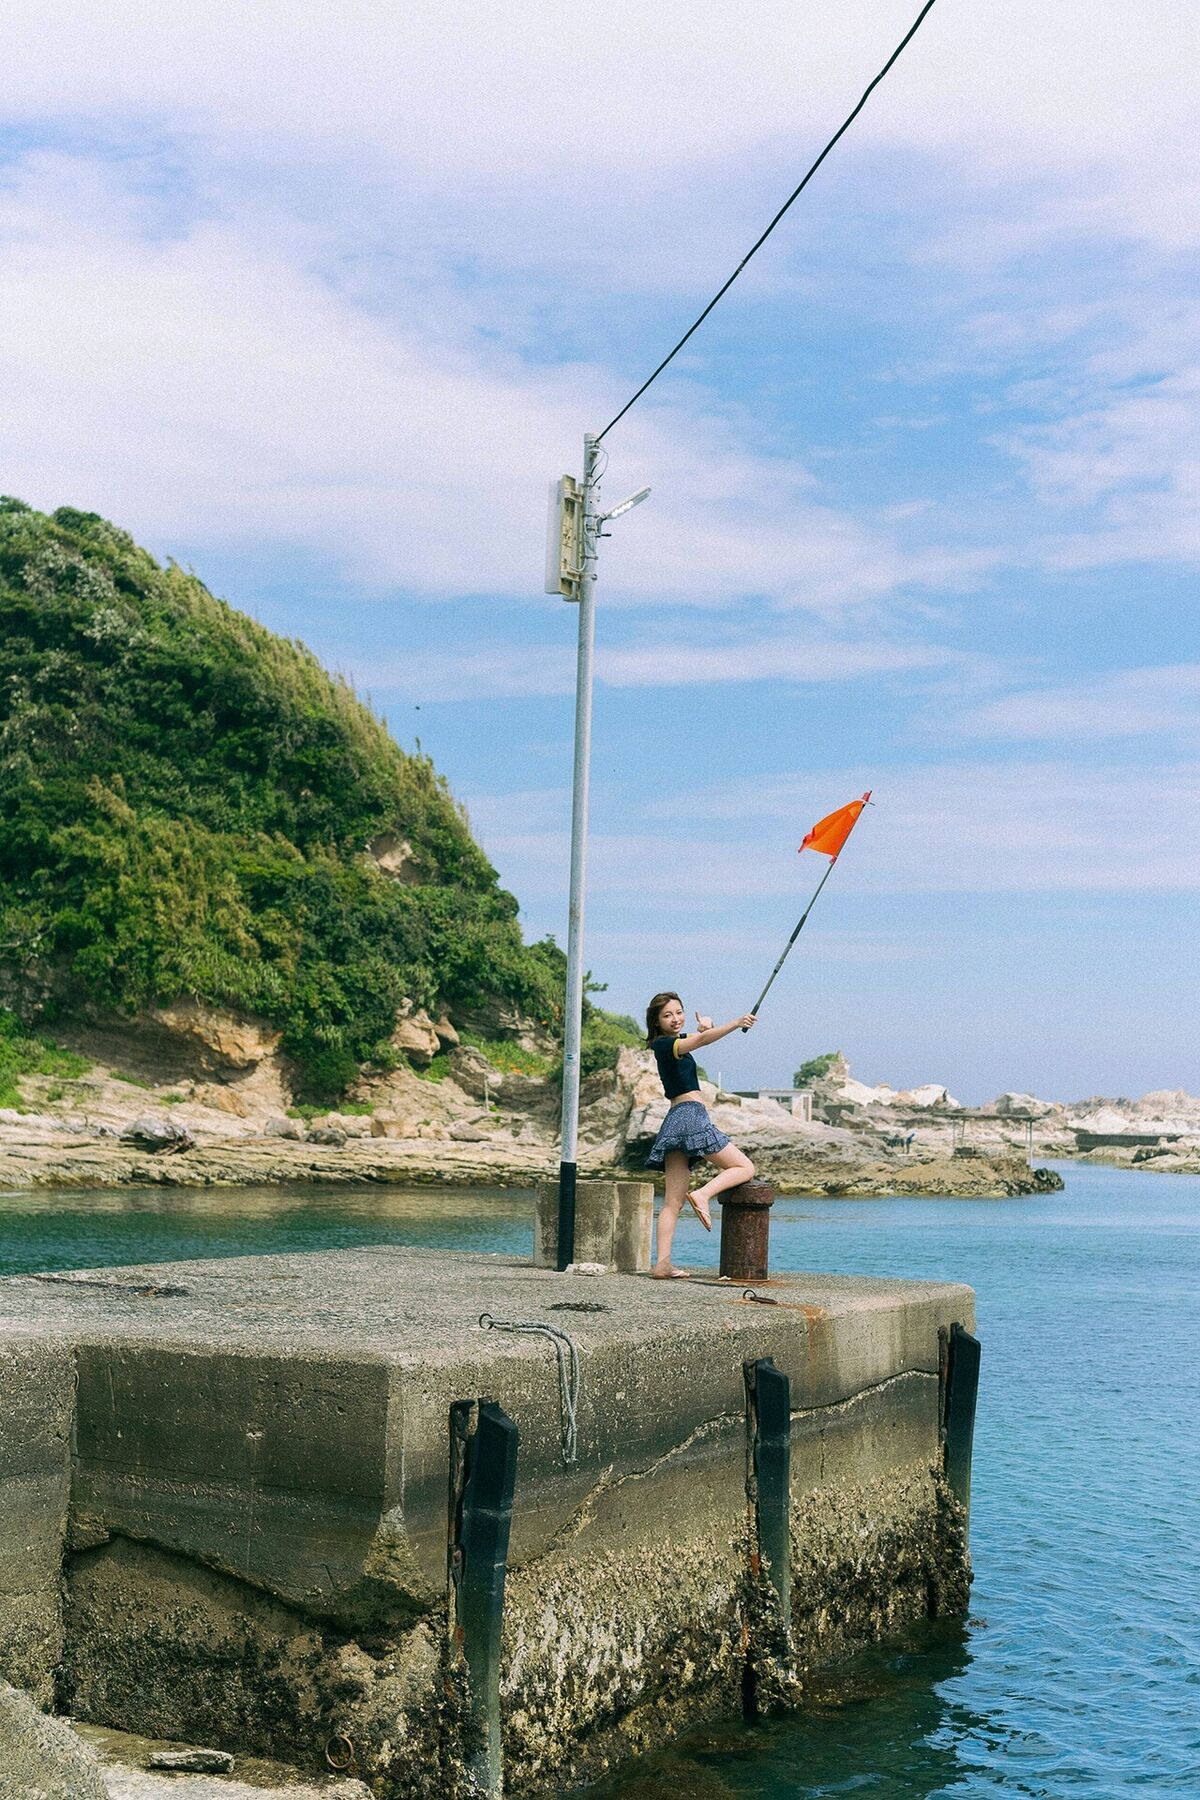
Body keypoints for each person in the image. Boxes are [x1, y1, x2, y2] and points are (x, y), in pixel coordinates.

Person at [643, 990, 756, 1279]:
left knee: (672, 1202)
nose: (675, 1018)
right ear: (656, 1022)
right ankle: (703, 1194)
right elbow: (702, 1041)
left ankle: (662, 1264)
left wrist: (704, 1027)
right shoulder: (665, 1044)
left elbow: (697, 1038)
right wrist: (736, 1023)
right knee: (745, 1167)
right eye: (667, 1015)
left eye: (678, 1012)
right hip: (691, 1115)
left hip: (674, 1120)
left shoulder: (671, 1043)